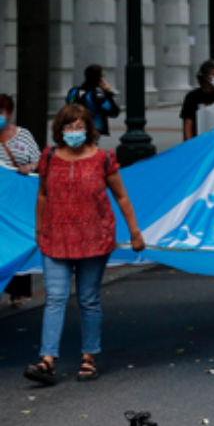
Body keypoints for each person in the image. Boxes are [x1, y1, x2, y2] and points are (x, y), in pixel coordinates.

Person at [23, 104, 145, 386]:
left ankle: (89, 357)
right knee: (55, 297)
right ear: (60, 130)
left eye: (79, 126)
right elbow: (42, 194)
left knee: (88, 299)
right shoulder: (49, 157)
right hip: (56, 238)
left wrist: (135, 232)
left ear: (88, 128)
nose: (74, 132)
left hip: (94, 238)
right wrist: (40, 228)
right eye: (69, 126)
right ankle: (47, 360)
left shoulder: (103, 158)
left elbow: (122, 197)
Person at [0, 93, 41, 306]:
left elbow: (39, 161)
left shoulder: (23, 135)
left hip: (19, 201)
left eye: (3, 112)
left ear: (10, 113)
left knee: (20, 242)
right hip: (1, 204)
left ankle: (18, 293)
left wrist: (30, 167)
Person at [66, 65, 121, 137]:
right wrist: (109, 93)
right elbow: (113, 112)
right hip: (92, 129)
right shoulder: (97, 95)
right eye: (102, 76)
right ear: (99, 79)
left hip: (74, 127)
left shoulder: (73, 91)